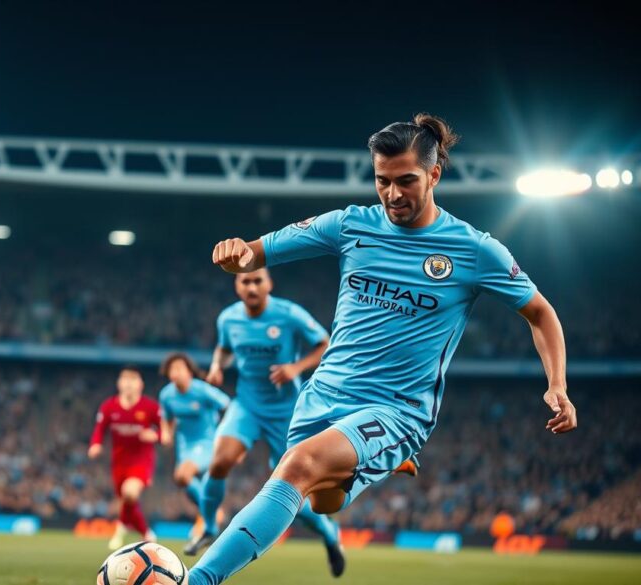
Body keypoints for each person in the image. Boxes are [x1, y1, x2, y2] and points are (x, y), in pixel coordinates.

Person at [186, 113, 577, 585]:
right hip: (322, 396)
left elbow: (540, 313)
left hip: (397, 408)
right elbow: (257, 251)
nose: (393, 194)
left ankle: (197, 579)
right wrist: (236, 254)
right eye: (382, 181)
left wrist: (558, 385)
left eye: (406, 180)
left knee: (297, 466)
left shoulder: (474, 250)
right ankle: (381, 463)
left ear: (434, 174)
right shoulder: (350, 224)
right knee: (321, 499)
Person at [186, 269, 346, 578]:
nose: (251, 287)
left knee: (295, 491)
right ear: (237, 286)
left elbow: (325, 343)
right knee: (219, 462)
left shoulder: (289, 315)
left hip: (287, 411)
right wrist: (218, 366)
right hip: (246, 404)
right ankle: (207, 526)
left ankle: (330, 536)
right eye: (245, 282)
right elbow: (224, 348)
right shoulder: (228, 319)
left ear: (268, 284)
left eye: (257, 280)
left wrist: (295, 367)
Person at [88, 365, 162, 550]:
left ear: (141, 384)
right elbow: (99, 429)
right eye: (125, 380)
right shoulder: (109, 406)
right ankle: (145, 532)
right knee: (127, 501)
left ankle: (121, 528)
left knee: (130, 493)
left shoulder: (150, 407)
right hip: (119, 461)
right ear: (119, 383)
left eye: (133, 380)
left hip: (142, 460)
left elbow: (166, 431)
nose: (128, 384)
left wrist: (157, 436)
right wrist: (95, 445)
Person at [157, 352, 230, 535]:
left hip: (206, 442)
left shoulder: (202, 390)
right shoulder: (166, 395)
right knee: (181, 479)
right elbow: (167, 418)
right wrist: (166, 433)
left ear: (189, 371)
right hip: (184, 445)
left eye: (180, 367)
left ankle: (210, 513)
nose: (176, 372)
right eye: (172, 368)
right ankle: (209, 515)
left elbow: (227, 404)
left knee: (184, 473)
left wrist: (227, 433)